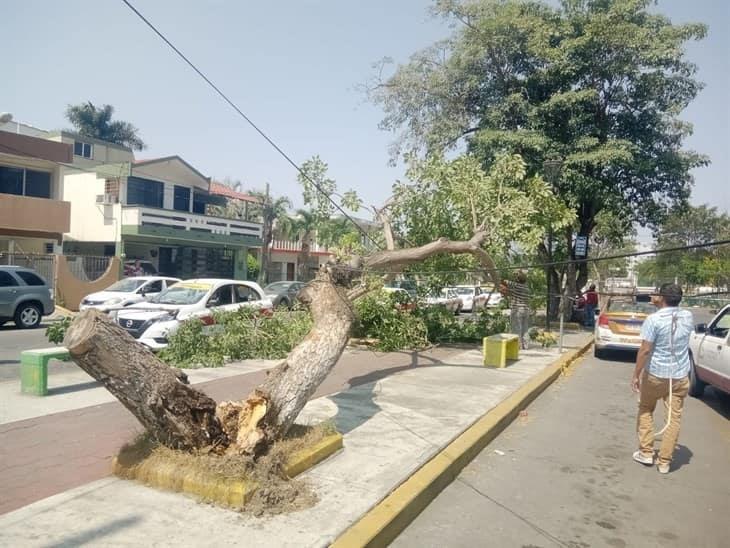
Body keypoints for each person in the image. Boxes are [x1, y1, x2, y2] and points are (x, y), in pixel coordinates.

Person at [631, 283, 694, 474]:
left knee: (645, 409)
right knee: (673, 418)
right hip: (680, 376)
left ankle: (646, 452)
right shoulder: (688, 316)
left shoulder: (654, 320)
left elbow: (645, 350)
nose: (652, 295)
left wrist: (636, 374)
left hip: (656, 375)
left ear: (662, 297)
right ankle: (665, 461)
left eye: (655, 293)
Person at [500, 271, 530, 349]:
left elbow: (504, 281)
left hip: (517, 310)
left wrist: (513, 275)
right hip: (526, 310)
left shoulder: (516, 285)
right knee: (525, 329)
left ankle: (517, 347)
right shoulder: (526, 288)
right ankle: (525, 346)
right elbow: (512, 292)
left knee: (516, 329)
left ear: (518, 279)